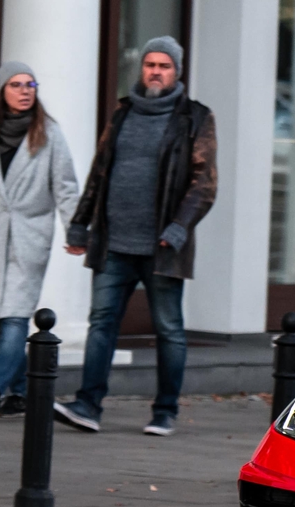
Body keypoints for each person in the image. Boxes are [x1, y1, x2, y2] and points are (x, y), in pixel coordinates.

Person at [55, 37, 217, 437]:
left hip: (162, 246)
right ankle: (87, 405)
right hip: (113, 243)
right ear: (141, 70)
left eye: (164, 65)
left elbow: (204, 183)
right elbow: (99, 172)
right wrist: (80, 224)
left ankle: (165, 412)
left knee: (169, 329)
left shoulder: (194, 118)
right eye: (150, 65)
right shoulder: (123, 114)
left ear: (177, 71)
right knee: (101, 325)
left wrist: (178, 228)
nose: (156, 71)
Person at [0, 62, 78, 418]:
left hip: (28, 236)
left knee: (15, 316)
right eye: (16, 84)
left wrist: (75, 229)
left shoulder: (49, 132)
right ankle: (25, 393)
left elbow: (66, 185)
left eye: (30, 84)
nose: (25, 91)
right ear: (3, 91)